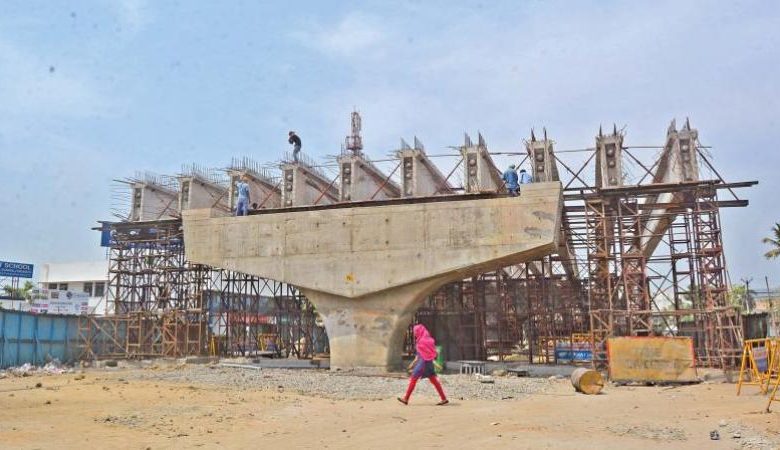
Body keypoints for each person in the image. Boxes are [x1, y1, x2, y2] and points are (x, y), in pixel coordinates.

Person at [397, 324, 449, 406]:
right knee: (434, 381)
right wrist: (412, 365)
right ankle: (444, 398)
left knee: (413, 379)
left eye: (415, 332)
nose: (414, 334)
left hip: (422, 364)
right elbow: (429, 355)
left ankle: (406, 398)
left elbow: (420, 357)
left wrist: (412, 365)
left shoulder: (420, 342)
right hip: (429, 364)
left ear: (418, 332)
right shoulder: (430, 341)